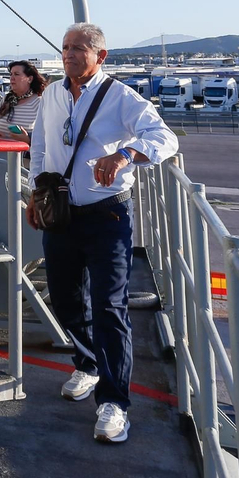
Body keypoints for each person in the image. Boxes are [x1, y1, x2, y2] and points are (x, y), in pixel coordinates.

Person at [27, 23, 178, 445]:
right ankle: (88, 364)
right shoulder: (54, 95)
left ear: (100, 56)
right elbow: (40, 146)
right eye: (65, 48)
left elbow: (165, 138)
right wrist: (35, 193)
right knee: (64, 295)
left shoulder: (121, 98)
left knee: (109, 306)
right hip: (61, 215)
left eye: (78, 49)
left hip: (106, 216)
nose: (69, 55)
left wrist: (125, 154)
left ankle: (115, 402)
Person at [0, 60, 47, 144]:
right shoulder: (7, 99)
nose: (12, 78)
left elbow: (49, 135)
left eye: (16, 74)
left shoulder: (39, 102)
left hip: (26, 155)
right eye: (11, 74)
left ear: (29, 79)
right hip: (1, 154)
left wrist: (28, 139)